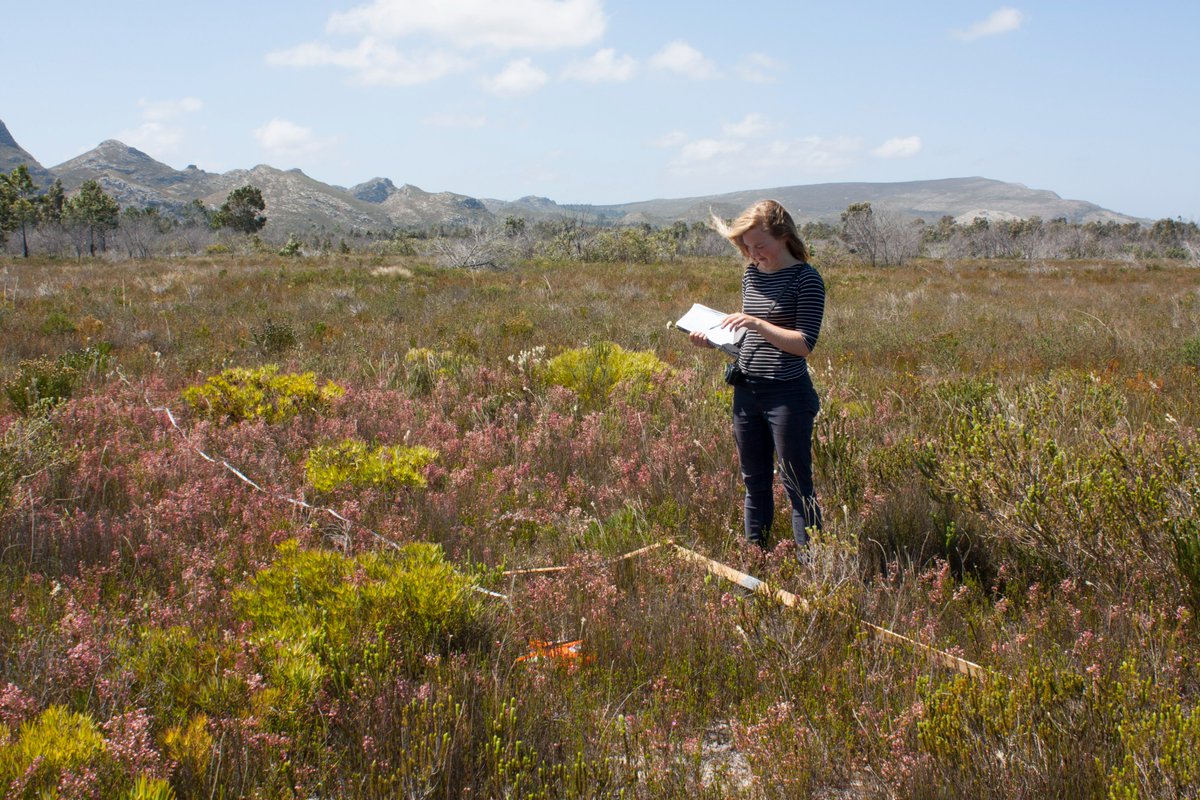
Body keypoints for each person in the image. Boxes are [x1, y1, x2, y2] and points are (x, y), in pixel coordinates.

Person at [689, 200, 825, 552]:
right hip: (747, 390)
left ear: (784, 236)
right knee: (755, 482)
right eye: (747, 246)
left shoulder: (806, 279)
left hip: (787, 396)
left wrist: (756, 323)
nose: (753, 253)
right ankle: (757, 561)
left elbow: (803, 344)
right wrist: (714, 342)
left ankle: (814, 570)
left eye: (760, 245)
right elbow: (748, 342)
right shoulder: (751, 274)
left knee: (797, 486)